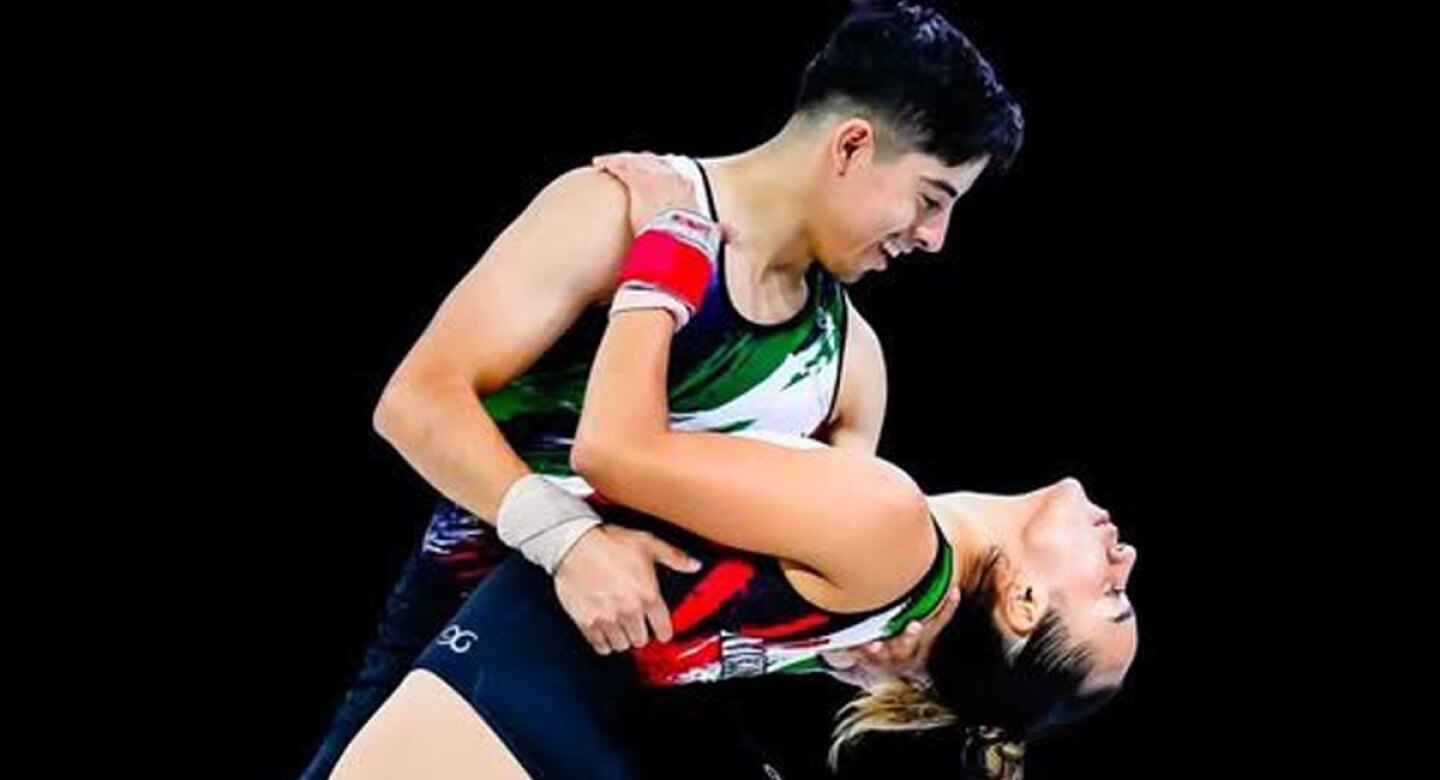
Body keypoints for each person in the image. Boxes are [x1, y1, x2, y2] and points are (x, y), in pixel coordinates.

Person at [300, 2, 1025, 776]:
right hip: (473, 651)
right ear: (851, 144)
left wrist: (849, 653)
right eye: (930, 199)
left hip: (651, 708)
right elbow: (417, 401)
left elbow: (789, 589)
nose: (933, 238)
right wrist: (567, 541)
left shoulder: (850, 366)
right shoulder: (611, 211)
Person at [328, 193, 1139, 780]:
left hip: (533, 679)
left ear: (1024, 604)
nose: (1126, 558)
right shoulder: (894, 612)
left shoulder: (892, 530)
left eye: (1111, 598)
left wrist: (670, 243)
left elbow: (611, 449)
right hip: (571, 694)